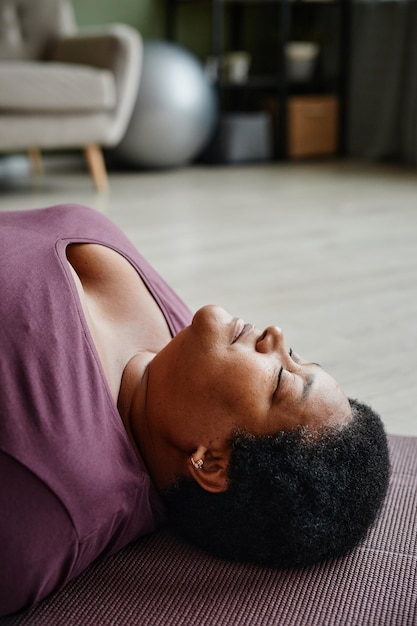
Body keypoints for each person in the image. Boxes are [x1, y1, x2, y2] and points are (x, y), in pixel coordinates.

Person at [0, 204, 390, 616]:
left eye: (280, 379)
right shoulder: (180, 348)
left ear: (212, 464)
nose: (275, 335)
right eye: (294, 355)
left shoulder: (43, 510)